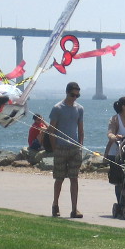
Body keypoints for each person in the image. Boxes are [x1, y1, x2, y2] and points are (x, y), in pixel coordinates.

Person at [49, 82, 84, 218]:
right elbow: (51, 130)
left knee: (74, 178)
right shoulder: (57, 108)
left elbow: (80, 129)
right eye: (72, 94)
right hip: (60, 148)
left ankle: (74, 209)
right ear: (67, 92)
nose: (75, 97)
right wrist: (55, 148)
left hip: (74, 148)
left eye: (77, 95)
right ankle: (55, 205)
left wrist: (80, 144)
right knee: (59, 178)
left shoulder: (79, 109)